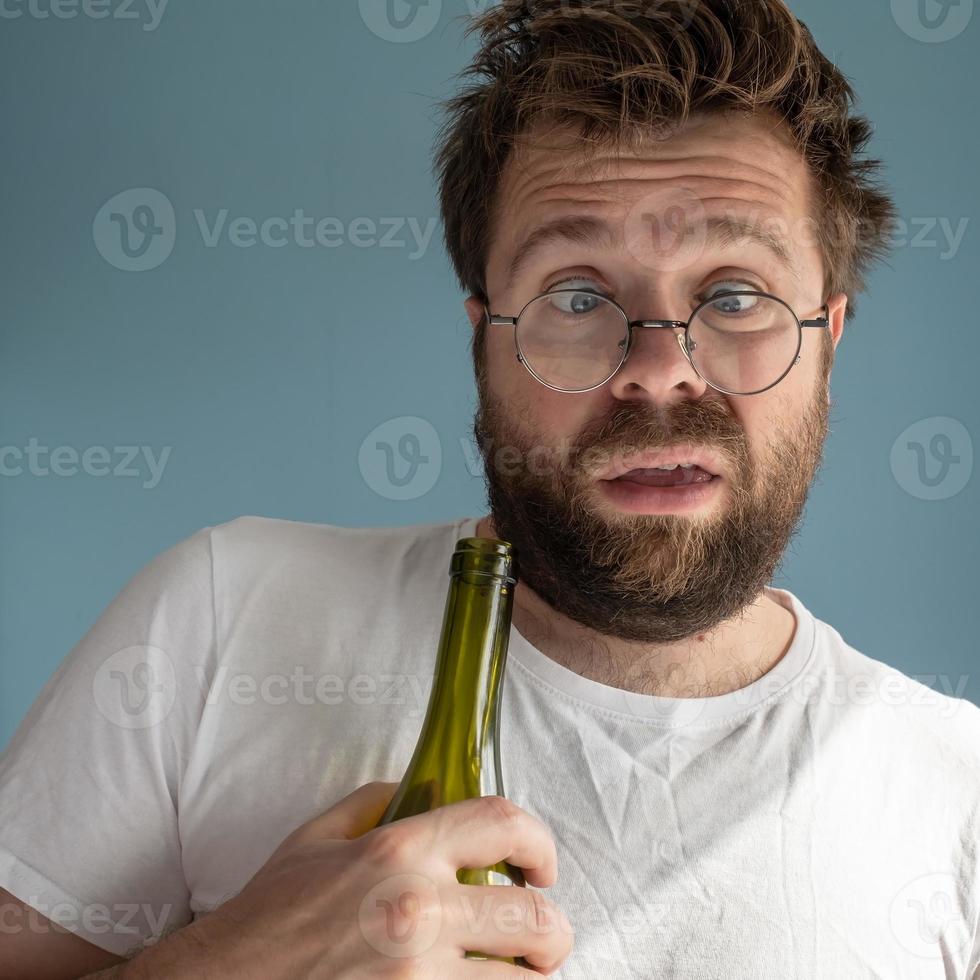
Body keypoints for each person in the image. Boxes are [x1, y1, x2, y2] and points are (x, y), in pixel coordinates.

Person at [2, 1, 978, 977]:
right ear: (483, 336)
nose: (656, 368)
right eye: (575, 294)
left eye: (733, 295)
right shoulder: (218, 616)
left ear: (827, 336)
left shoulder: (954, 789)